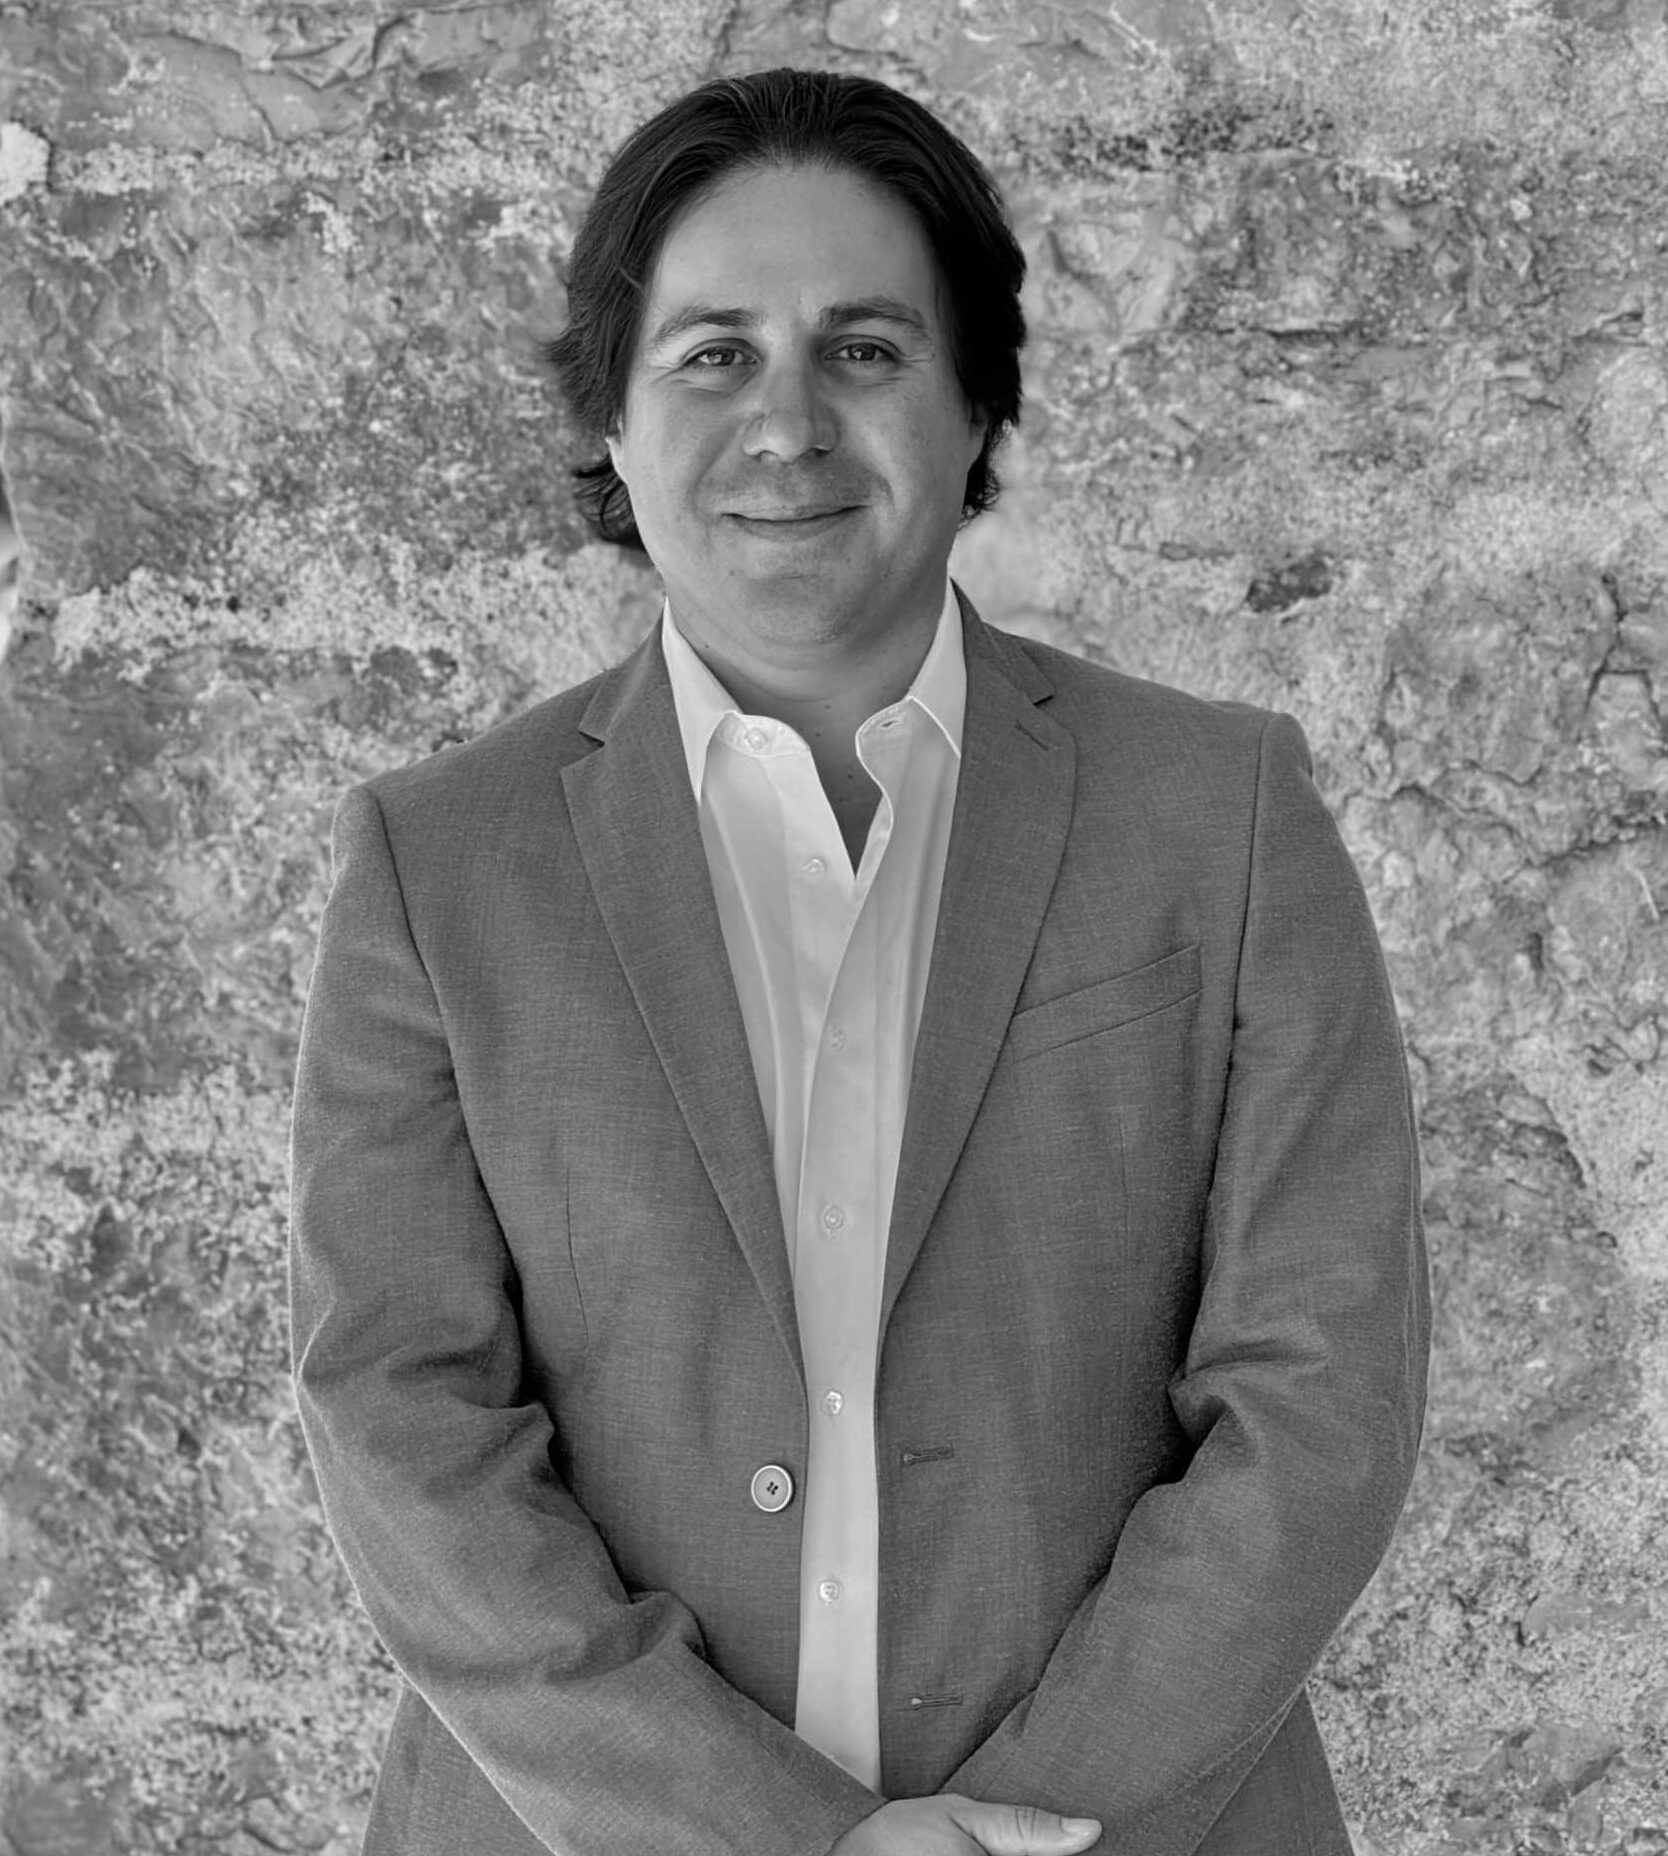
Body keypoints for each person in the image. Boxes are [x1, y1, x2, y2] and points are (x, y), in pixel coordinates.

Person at [289, 66, 1430, 1856]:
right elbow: (400, 1415)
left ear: (976, 406)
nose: (789, 423)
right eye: (713, 354)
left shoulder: (1224, 816)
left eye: (868, 348)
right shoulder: (438, 867)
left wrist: (1029, 1828)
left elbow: (1323, 1392)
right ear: (610, 419)